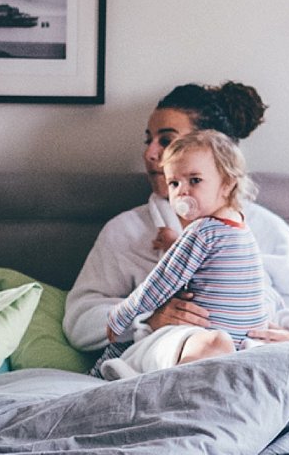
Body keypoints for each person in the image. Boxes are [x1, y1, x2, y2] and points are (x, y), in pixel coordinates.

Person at [64, 81, 289, 360]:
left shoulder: (266, 229)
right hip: (175, 353)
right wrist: (150, 318)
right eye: (148, 140)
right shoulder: (125, 230)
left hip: (253, 354)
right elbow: (79, 323)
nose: (150, 155)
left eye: (166, 140)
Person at [98, 129, 269, 376]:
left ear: (227, 184)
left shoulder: (204, 231)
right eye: (174, 183)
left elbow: (163, 280)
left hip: (228, 341)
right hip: (220, 340)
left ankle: (170, 382)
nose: (182, 191)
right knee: (211, 344)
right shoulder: (237, 224)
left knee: (216, 344)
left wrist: (120, 316)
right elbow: (187, 269)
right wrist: (177, 244)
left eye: (194, 180)